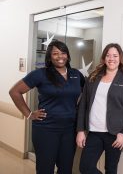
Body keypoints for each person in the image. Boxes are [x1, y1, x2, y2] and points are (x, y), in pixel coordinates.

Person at [9, 40, 85, 174]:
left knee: (66, 169)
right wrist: (29, 114)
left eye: (63, 53)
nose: (60, 56)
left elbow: (85, 95)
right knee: (45, 169)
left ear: (67, 55)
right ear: (49, 57)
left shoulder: (76, 74)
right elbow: (15, 92)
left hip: (69, 130)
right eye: (55, 53)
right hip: (46, 130)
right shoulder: (41, 74)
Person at [76, 43, 123, 174]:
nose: (111, 59)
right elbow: (83, 105)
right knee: (85, 168)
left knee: (111, 170)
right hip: (93, 132)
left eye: (115, 55)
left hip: (115, 135)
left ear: (120, 58)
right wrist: (80, 130)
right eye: (108, 55)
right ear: (104, 58)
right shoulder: (93, 77)